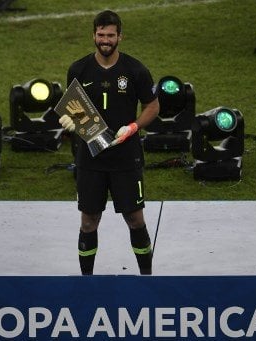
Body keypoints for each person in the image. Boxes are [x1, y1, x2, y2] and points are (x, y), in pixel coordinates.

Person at [59, 10, 160, 275]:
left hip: (126, 157)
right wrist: (70, 121)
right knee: (89, 221)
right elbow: (72, 107)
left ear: (120, 37)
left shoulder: (135, 70)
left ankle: (147, 278)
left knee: (135, 219)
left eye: (110, 35)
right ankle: (86, 281)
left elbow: (153, 105)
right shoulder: (78, 69)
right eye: (101, 35)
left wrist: (134, 126)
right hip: (90, 159)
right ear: (94, 35)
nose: (105, 40)